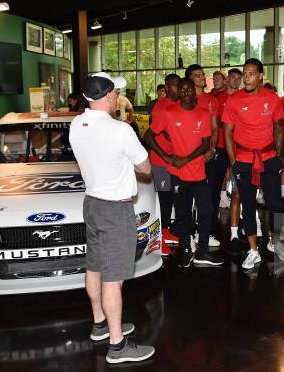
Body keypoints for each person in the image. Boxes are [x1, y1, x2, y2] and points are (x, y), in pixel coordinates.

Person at [69, 72, 155, 364]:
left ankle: (100, 324)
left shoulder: (75, 125)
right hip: (115, 210)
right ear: (107, 97)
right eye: (116, 92)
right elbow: (146, 168)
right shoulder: (120, 130)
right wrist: (126, 165)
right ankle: (117, 345)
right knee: (113, 278)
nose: (118, 96)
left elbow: (99, 158)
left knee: (94, 266)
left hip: (91, 204)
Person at [145, 78, 224, 268]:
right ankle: (186, 251)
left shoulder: (203, 113)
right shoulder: (168, 113)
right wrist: (167, 158)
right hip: (178, 173)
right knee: (182, 214)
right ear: (179, 92)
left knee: (206, 211)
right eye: (184, 89)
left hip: (198, 172)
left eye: (190, 89)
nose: (187, 92)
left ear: (193, 91)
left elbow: (205, 144)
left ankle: (202, 251)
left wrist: (185, 159)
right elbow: (148, 135)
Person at [223, 58, 284, 269]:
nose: (246, 77)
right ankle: (253, 250)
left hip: (268, 159)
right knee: (248, 207)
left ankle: (274, 242)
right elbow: (227, 133)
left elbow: (278, 128)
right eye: (244, 73)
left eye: (251, 74)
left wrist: (279, 156)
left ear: (260, 76)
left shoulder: (273, 99)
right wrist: (234, 163)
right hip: (244, 160)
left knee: (276, 205)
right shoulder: (233, 101)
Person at [185, 64, 221, 247]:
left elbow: (215, 128)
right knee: (188, 197)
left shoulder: (211, 100)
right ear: (189, 80)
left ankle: (205, 232)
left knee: (209, 196)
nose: (201, 77)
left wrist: (211, 149)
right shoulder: (183, 100)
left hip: (207, 155)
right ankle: (189, 234)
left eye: (202, 74)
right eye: (197, 75)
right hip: (188, 157)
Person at [148, 75, 181, 248]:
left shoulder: (180, 104)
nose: (177, 88)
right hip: (161, 162)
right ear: (167, 88)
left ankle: (166, 231)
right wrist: (165, 156)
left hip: (175, 161)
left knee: (172, 198)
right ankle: (158, 236)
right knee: (163, 199)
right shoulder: (161, 106)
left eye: (179, 84)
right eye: (173, 85)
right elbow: (150, 135)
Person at [223, 68, 246, 252]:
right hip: (221, 151)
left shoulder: (243, 98)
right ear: (227, 79)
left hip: (242, 153)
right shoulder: (218, 98)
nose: (237, 80)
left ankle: (247, 227)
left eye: (240, 77)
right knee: (234, 193)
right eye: (234, 77)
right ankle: (233, 234)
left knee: (244, 194)